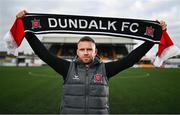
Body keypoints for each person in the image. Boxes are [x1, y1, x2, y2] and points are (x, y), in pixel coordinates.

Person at [16, 10, 167, 114]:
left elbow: (130, 59)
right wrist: (27, 31)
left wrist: (153, 39)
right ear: (77, 51)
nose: (86, 52)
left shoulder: (105, 69)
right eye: (82, 49)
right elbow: (44, 54)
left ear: (96, 52)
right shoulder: (67, 68)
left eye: (89, 49)